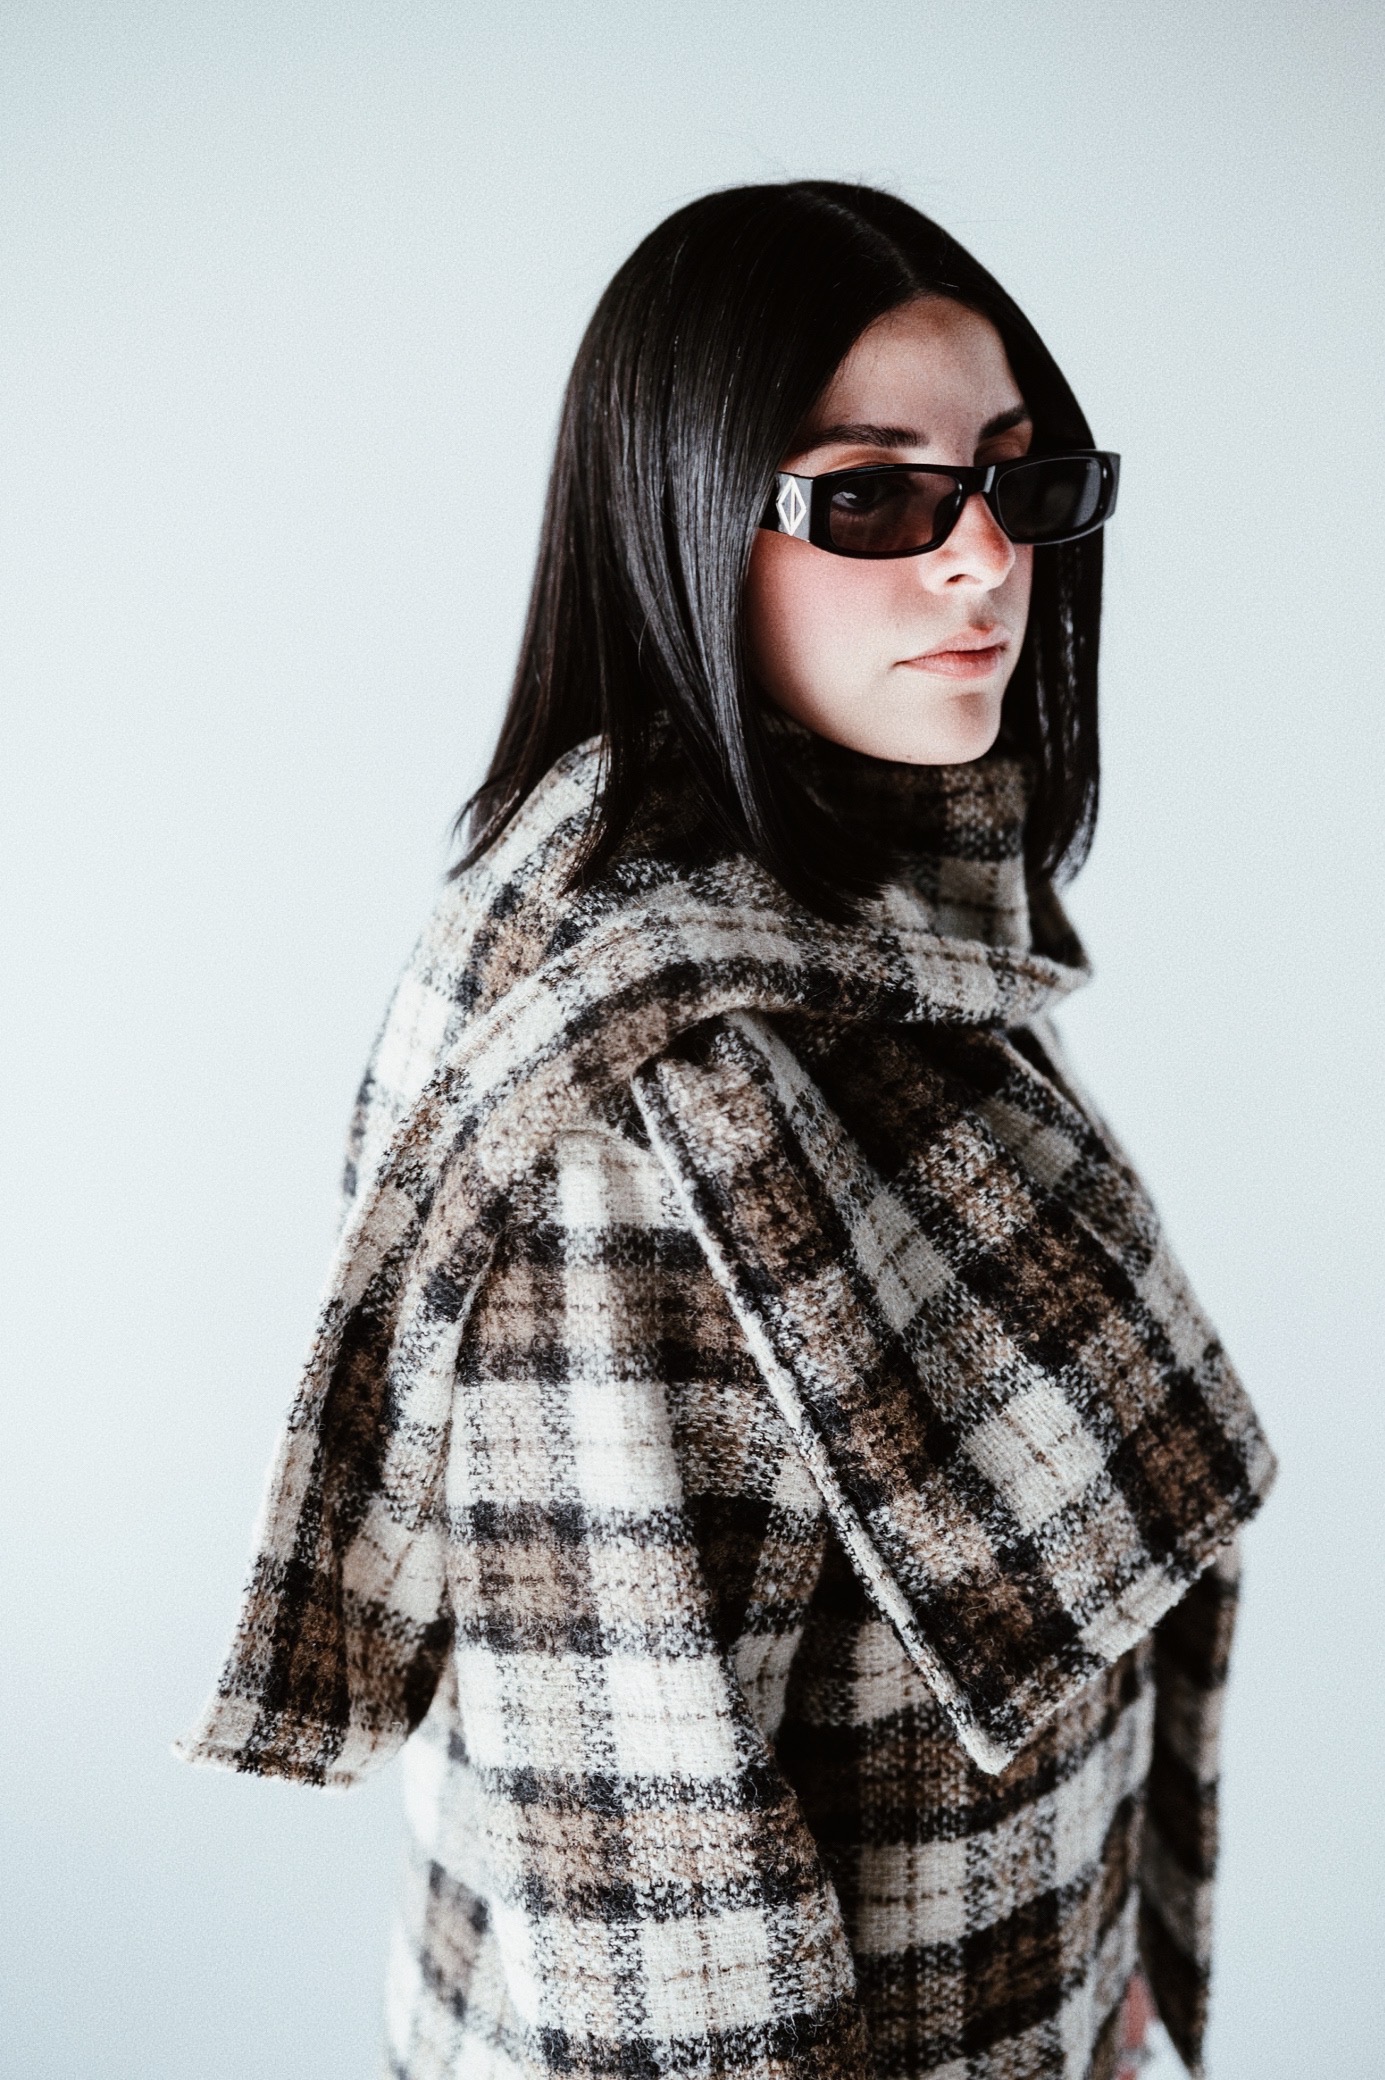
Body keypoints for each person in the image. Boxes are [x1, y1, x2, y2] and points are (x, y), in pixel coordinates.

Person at [178, 182, 1276, 2080]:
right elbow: (650, 1900)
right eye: (873, 497)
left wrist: (1098, 1962)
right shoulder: (634, 1094)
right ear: (677, 515)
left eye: (1017, 480)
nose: (981, 562)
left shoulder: (869, 933)